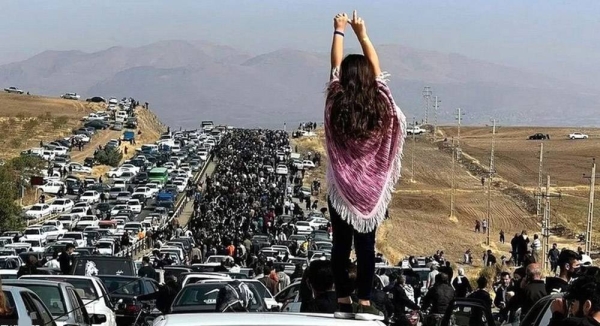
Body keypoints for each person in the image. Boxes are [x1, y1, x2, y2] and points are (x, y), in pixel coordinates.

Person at [325, 10, 405, 321]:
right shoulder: (382, 104)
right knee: (366, 246)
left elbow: (334, 66)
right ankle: (365, 300)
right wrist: (363, 33)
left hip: (341, 189)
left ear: (343, 79)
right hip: (371, 192)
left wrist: (339, 31)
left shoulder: (335, 102)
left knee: (341, 246)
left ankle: (343, 299)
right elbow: (379, 72)